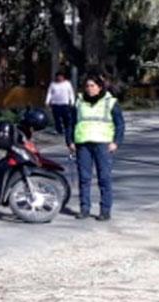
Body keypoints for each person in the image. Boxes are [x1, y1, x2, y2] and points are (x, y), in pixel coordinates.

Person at [65, 75, 126, 221]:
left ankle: (105, 210)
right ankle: (84, 209)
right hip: (83, 144)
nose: (90, 89)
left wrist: (116, 142)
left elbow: (120, 125)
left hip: (103, 144)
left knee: (104, 178)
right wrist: (70, 141)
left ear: (100, 87)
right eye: (87, 86)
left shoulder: (110, 102)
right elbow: (71, 124)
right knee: (84, 179)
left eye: (93, 86)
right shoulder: (79, 102)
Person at [45, 70, 76, 141]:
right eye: (58, 76)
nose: (59, 78)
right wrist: (47, 101)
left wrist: (72, 101)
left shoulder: (67, 84)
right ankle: (58, 129)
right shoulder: (53, 84)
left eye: (61, 76)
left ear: (63, 77)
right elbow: (49, 93)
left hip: (65, 103)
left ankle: (67, 129)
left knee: (66, 117)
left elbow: (71, 93)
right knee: (57, 118)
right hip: (55, 103)